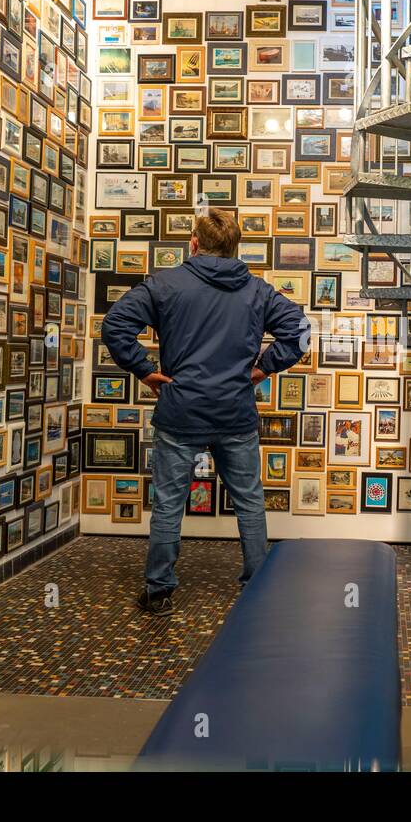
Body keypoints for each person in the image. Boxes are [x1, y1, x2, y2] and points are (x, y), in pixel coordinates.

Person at [101, 208, 308, 616]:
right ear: (235, 248)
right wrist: (263, 367)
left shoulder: (165, 284)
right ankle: (257, 587)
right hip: (235, 413)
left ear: (193, 243)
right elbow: (300, 331)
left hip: (181, 413)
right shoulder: (257, 290)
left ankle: (159, 591)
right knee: (249, 502)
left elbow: (114, 326)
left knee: (168, 505)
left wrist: (144, 371)